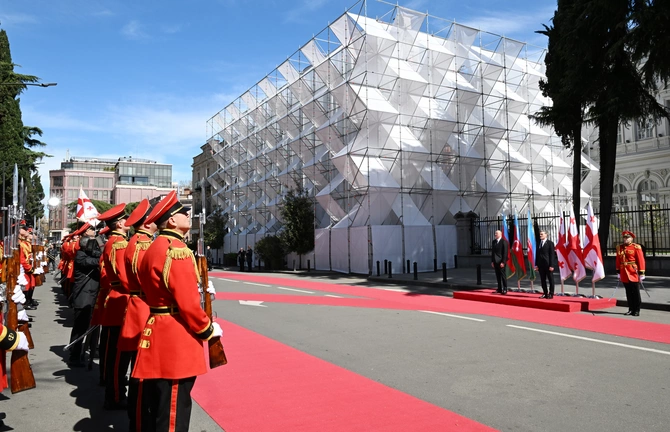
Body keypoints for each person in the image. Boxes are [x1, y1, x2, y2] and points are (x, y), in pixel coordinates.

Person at [132, 190, 222, 432]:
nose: (188, 215)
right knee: (173, 412)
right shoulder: (176, 250)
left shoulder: (154, 247)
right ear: (172, 220)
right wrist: (208, 329)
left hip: (157, 327)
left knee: (159, 407)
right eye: (184, 213)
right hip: (175, 336)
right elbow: (188, 304)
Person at [119, 198, 157, 432]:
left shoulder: (136, 242)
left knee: (138, 366)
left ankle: (138, 416)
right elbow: (148, 280)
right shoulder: (143, 245)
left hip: (138, 304)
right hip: (144, 305)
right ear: (145, 223)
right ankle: (140, 420)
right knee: (143, 370)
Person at [97, 203, 131, 410]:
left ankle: (114, 391)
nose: (128, 222)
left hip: (117, 298)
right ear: (119, 223)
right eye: (125, 219)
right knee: (118, 355)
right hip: (121, 300)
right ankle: (115, 395)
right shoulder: (119, 243)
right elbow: (125, 278)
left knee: (115, 353)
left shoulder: (116, 241)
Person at [68, 222, 102, 367]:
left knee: (93, 327)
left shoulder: (86, 254)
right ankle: (74, 355)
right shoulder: (81, 256)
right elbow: (96, 260)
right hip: (83, 297)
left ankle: (92, 349)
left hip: (93, 295)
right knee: (80, 327)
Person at [616, 230, 645, 317]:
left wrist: (641, 272)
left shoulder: (636, 247)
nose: (626, 239)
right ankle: (630, 309)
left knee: (635, 292)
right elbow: (618, 260)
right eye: (624, 238)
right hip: (624, 272)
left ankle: (637, 309)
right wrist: (618, 271)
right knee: (628, 292)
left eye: (627, 238)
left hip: (633, 272)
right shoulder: (619, 247)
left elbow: (641, 260)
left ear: (632, 238)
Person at [534, 230, 557, 299]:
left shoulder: (550, 243)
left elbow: (552, 255)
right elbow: (537, 254)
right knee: (542, 280)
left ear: (546, 235)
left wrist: (551, 265)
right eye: (540, 234)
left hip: (548, 264)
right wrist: (536, 265)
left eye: (542, 234)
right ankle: (545, 293)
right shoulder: (539, 243)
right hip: (541, 265)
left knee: (550, 279)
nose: (540, 235)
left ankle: (551, 293)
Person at [491, 230, 509, 294]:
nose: (495, 234)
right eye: (495, 233)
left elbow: (505, 253)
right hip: (495, 261)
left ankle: (505, 288)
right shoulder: (494, 242)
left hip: (501, 262)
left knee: (503, 275)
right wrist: (492, 261)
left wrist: (503, 262)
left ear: (500, 234)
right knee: (497, 276)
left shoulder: (504, 242)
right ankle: (499, 289)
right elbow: (493, 252)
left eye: (496, 233)